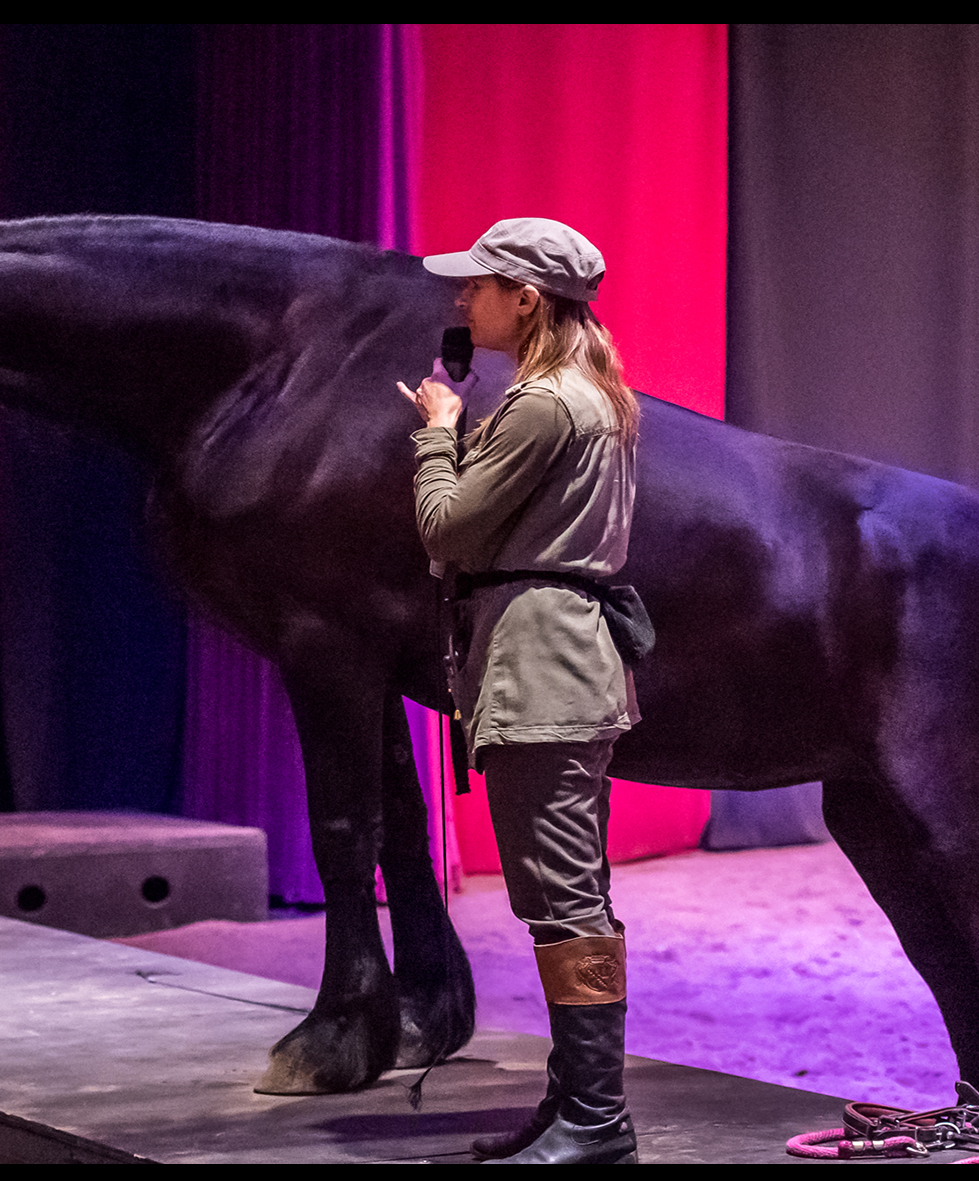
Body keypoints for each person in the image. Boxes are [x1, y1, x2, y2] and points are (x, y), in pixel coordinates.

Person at [397, 218, 641, 1164]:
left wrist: (438, 436)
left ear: (528, 299)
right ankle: (576, 1097)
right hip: (553, 657)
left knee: (567, 898)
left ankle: (597, 1117)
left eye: (480, 285)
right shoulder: (587, 395)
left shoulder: (545, 403)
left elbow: (448, 530)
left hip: (546, 667)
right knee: (560, 895)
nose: (464, 300)